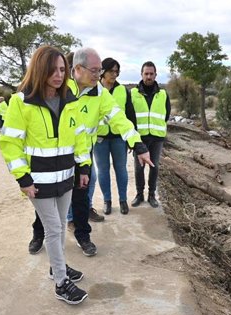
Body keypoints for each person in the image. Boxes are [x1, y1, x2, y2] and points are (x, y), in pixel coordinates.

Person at [27, 48, 153, 257]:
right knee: (47, 196)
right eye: (94, 70)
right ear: (77, 69)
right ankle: (38, 234)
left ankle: (82, 235)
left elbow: (118, 117)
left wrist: (137, 144)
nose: (98, 75)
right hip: (56, 155)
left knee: (81, 196)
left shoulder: (100, 93)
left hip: (83, 154)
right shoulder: (59, 88)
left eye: (100, 70)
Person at [0, 45, 90, 304]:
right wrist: (23, 178)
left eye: (63, 69)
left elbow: (80, 137)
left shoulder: (70, 100)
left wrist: (83, 167)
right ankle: (61, 283)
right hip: (38, 182)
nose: (59, 75)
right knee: (52, 228)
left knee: (61, 226)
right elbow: (9, 143)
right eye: (53, 70)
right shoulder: (21, 102)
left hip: (65, 178)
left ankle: (56, 267)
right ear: (40, 70)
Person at [94, 58, 134, 215]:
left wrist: (132, 139)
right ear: (103, 71)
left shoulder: (123, 90)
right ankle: (107, 201)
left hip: (119, 138)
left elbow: (130, 115)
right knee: (103, 170)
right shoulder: (94, 90)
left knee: (121, 169)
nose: (115, 74)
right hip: (100, 139)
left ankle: (123, 200)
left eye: (117, 71)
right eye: (112, 71)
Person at [130, 61, 171, 208]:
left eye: (151, 74)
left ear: (155, 75)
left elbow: (166, 114)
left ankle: (152, 195)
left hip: (157, 137)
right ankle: (139, 194)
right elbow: (130, 116)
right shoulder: (133, 93)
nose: (148, 76)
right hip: (139, 137)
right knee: (139, 167)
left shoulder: (163, 94)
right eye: (146, 73)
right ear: (141, 74)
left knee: (155, 167)